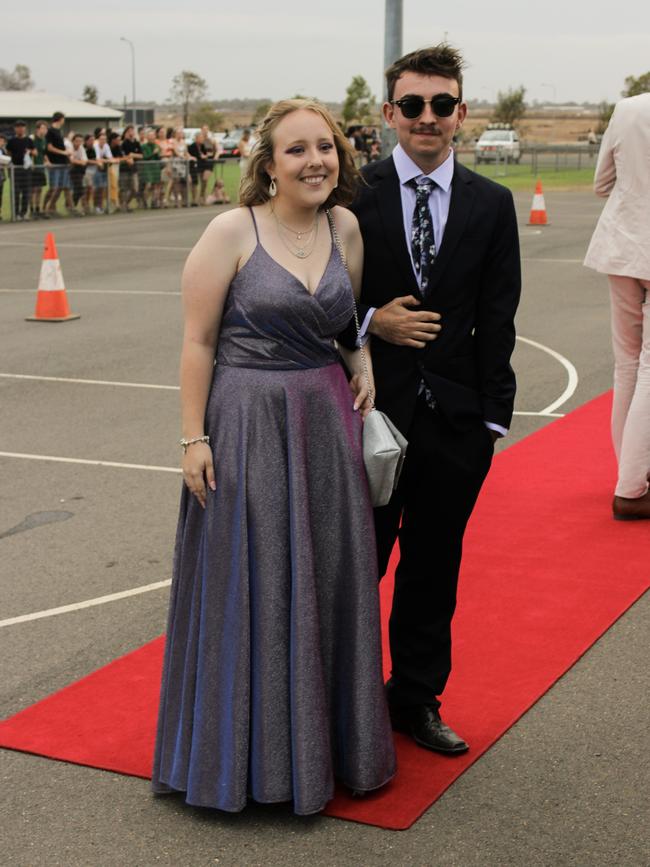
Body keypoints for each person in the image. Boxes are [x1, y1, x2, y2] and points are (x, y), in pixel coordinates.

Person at [152, 98, 396, 815]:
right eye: (297, 150)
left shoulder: (344, 227)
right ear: (268, 163)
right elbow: (197, 342)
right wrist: (193, 438)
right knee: (251, 579)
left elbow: (343, 321)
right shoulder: (232, 229)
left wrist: (361, 358)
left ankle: (327, 752)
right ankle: (243, 763)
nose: (315, 160)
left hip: (324, 425)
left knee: (324, 580)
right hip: (247, 422)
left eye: (325, 146)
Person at [338, 44, 521, 755]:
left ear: (461, 113)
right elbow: (321, 296)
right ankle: (343, 703)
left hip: (456, 424)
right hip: (368, 414)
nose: (427, 118)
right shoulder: (354, 197)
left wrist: (491, 421)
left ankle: (415, 698)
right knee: (357, 566)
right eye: (412, 105)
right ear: (389, 114)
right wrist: (369, 321)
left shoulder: (491, 204)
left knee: (432, 571)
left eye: (441, 105)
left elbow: (499, 317)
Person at [584, 92, 650, 520]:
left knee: (627, 362)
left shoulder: (628, 108)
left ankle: (629, 467)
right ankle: (631, 485)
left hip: (623, 244)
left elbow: (600, 183)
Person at [6, 120, 35, 221]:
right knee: (16, 192)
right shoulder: (11, 141)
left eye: (22, 127)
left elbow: (35, 152)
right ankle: (15, 213)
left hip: (26, 170)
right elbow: (8, 153)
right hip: (15, 170)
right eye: (18, 127)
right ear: (15, 129)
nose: (20, 129)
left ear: (25, 128)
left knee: (26, 192)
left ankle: (23, 213)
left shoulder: (29, 140)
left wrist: (30, 151)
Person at [43, 112, 70, 217]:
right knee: (53, 187)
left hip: (63, 162)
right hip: (54, 163)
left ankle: (51, 208)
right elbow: (49, 147)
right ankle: (43, 207)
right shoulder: (50, 131)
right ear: (60, 119)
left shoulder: (59, 131)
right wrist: (63, 152)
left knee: (60, 187)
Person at [121, 124, 143, 211]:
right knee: (125, 188)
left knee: (135, 188)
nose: (131, 132)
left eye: (132, 130)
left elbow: (141, 155)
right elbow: (124, 155)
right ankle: (124, 205)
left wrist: (133, 155)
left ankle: (126, 203)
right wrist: (129, 157)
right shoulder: (124, 143)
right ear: (126, 132)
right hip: (125, 169)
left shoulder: (136, 143)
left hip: (134, 168)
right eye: (129, 131)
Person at [30, 121, 49, 219]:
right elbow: (28, 150)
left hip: (41, 168)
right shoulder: (32, 138)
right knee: (33, 190)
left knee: (40, 189)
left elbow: (44, 153)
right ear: (37, 129)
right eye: (43, 128)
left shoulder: (44, 140)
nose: (44, 130)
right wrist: (31, 160)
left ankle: (38, 209)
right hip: (33, 168)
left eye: (46, 129)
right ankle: (32, 210)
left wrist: (47, 161)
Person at [140, 128, 162, 208]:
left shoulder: (156, 146)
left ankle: (154, 201)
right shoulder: (143, 146)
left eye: (153, 136)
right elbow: (145, 157)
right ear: (147, 137)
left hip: (155, 167)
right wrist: (153, 153)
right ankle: (145, 201)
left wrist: (158, 153)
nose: (152, 137)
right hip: (147, 168)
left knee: (156, 185)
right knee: (148, 185)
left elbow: (158, 157)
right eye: (150, 136)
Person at [93, 131, 113, 214]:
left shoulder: (106, 146)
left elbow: (110, 157)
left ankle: (100, 206)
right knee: (98, 189)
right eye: (101, 139)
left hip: (104, 170)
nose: (103, 141)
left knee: (103, 189)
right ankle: (96, 206)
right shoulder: (95, 146)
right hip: (95, 170)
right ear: (98, 139)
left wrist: (104, 160)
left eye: (104, 139)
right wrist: (106, 160)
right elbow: (97, 159)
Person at [69, 132, 88, 215]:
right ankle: (73, 206)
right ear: (73, 141)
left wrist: (79, 162)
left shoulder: (82, 148)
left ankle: (73, 206)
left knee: (79, 189)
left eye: (80, 141)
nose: (78, 143)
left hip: (79, 171)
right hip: (71, 171)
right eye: (77, 141)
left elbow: (85, 160)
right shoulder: (70, 148)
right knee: (79, 188)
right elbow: (71, 160)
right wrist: (80, 162)